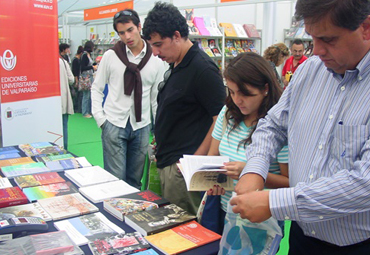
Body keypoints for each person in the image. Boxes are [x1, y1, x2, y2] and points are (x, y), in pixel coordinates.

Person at [231, 0, 370, 254]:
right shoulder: (309, 71)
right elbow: (272, 125)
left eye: (328, 39)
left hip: (356, 245)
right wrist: (255, 169)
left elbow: (364, 183)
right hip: (301, 237)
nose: (316, 51)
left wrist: (275, 202)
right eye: (312, 38)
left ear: (366, 28)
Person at [142, 2, 226, 215]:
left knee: (186, 231)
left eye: (159, 44)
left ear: (177, 36)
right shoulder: (177, 64)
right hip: (169, 162)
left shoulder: (203, 69)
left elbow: (221, 120)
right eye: (152, 45)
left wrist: (194, 162)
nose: (155, 52)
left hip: (183, 169)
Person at [205, 53, 289, 249]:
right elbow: (212, 156)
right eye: (232, 92)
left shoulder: (278, 127)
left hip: (258, 219)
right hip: (221, 208)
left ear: (265, 89)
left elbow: (290, 183)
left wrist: (251, 172)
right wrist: (209, 178)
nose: (237, 100)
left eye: (245, 94)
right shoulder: (228, 114)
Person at [91, 9, 166, 190]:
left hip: (141, 127)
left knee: (134, 181)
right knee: (115, 182)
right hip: (114, 124)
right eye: (122, 33)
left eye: (130, 30)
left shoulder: (155, 59)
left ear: (139, 27)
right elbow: (97, 88)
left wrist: (159, 129)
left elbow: (156, 98)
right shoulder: (111, 56)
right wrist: (101, 119)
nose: (127, 36)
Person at [59, 53, 74, 150]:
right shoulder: (63, 62)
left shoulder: (42, 62)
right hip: (63, 98)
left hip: (46, 101)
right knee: (64, 125)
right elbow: (71, 79)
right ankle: (64, 149)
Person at [80, 40, 97, 118]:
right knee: (86, 95)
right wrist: (91, 67)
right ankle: (85, 112)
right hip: (86, 77)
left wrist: (94, 64)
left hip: (89, 77)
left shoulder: (88, 55)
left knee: (89, 95)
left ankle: (88, 111)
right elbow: (83, 67)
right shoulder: (84, 55)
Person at [71, 45, 84, 113]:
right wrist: (76, 80)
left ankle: (78, 108)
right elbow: (75, 71)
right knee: (76, 95)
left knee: (79, 94)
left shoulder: (78, 59)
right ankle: (76, 108)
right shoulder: (75, 60)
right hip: (76, 78)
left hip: (78, 78)